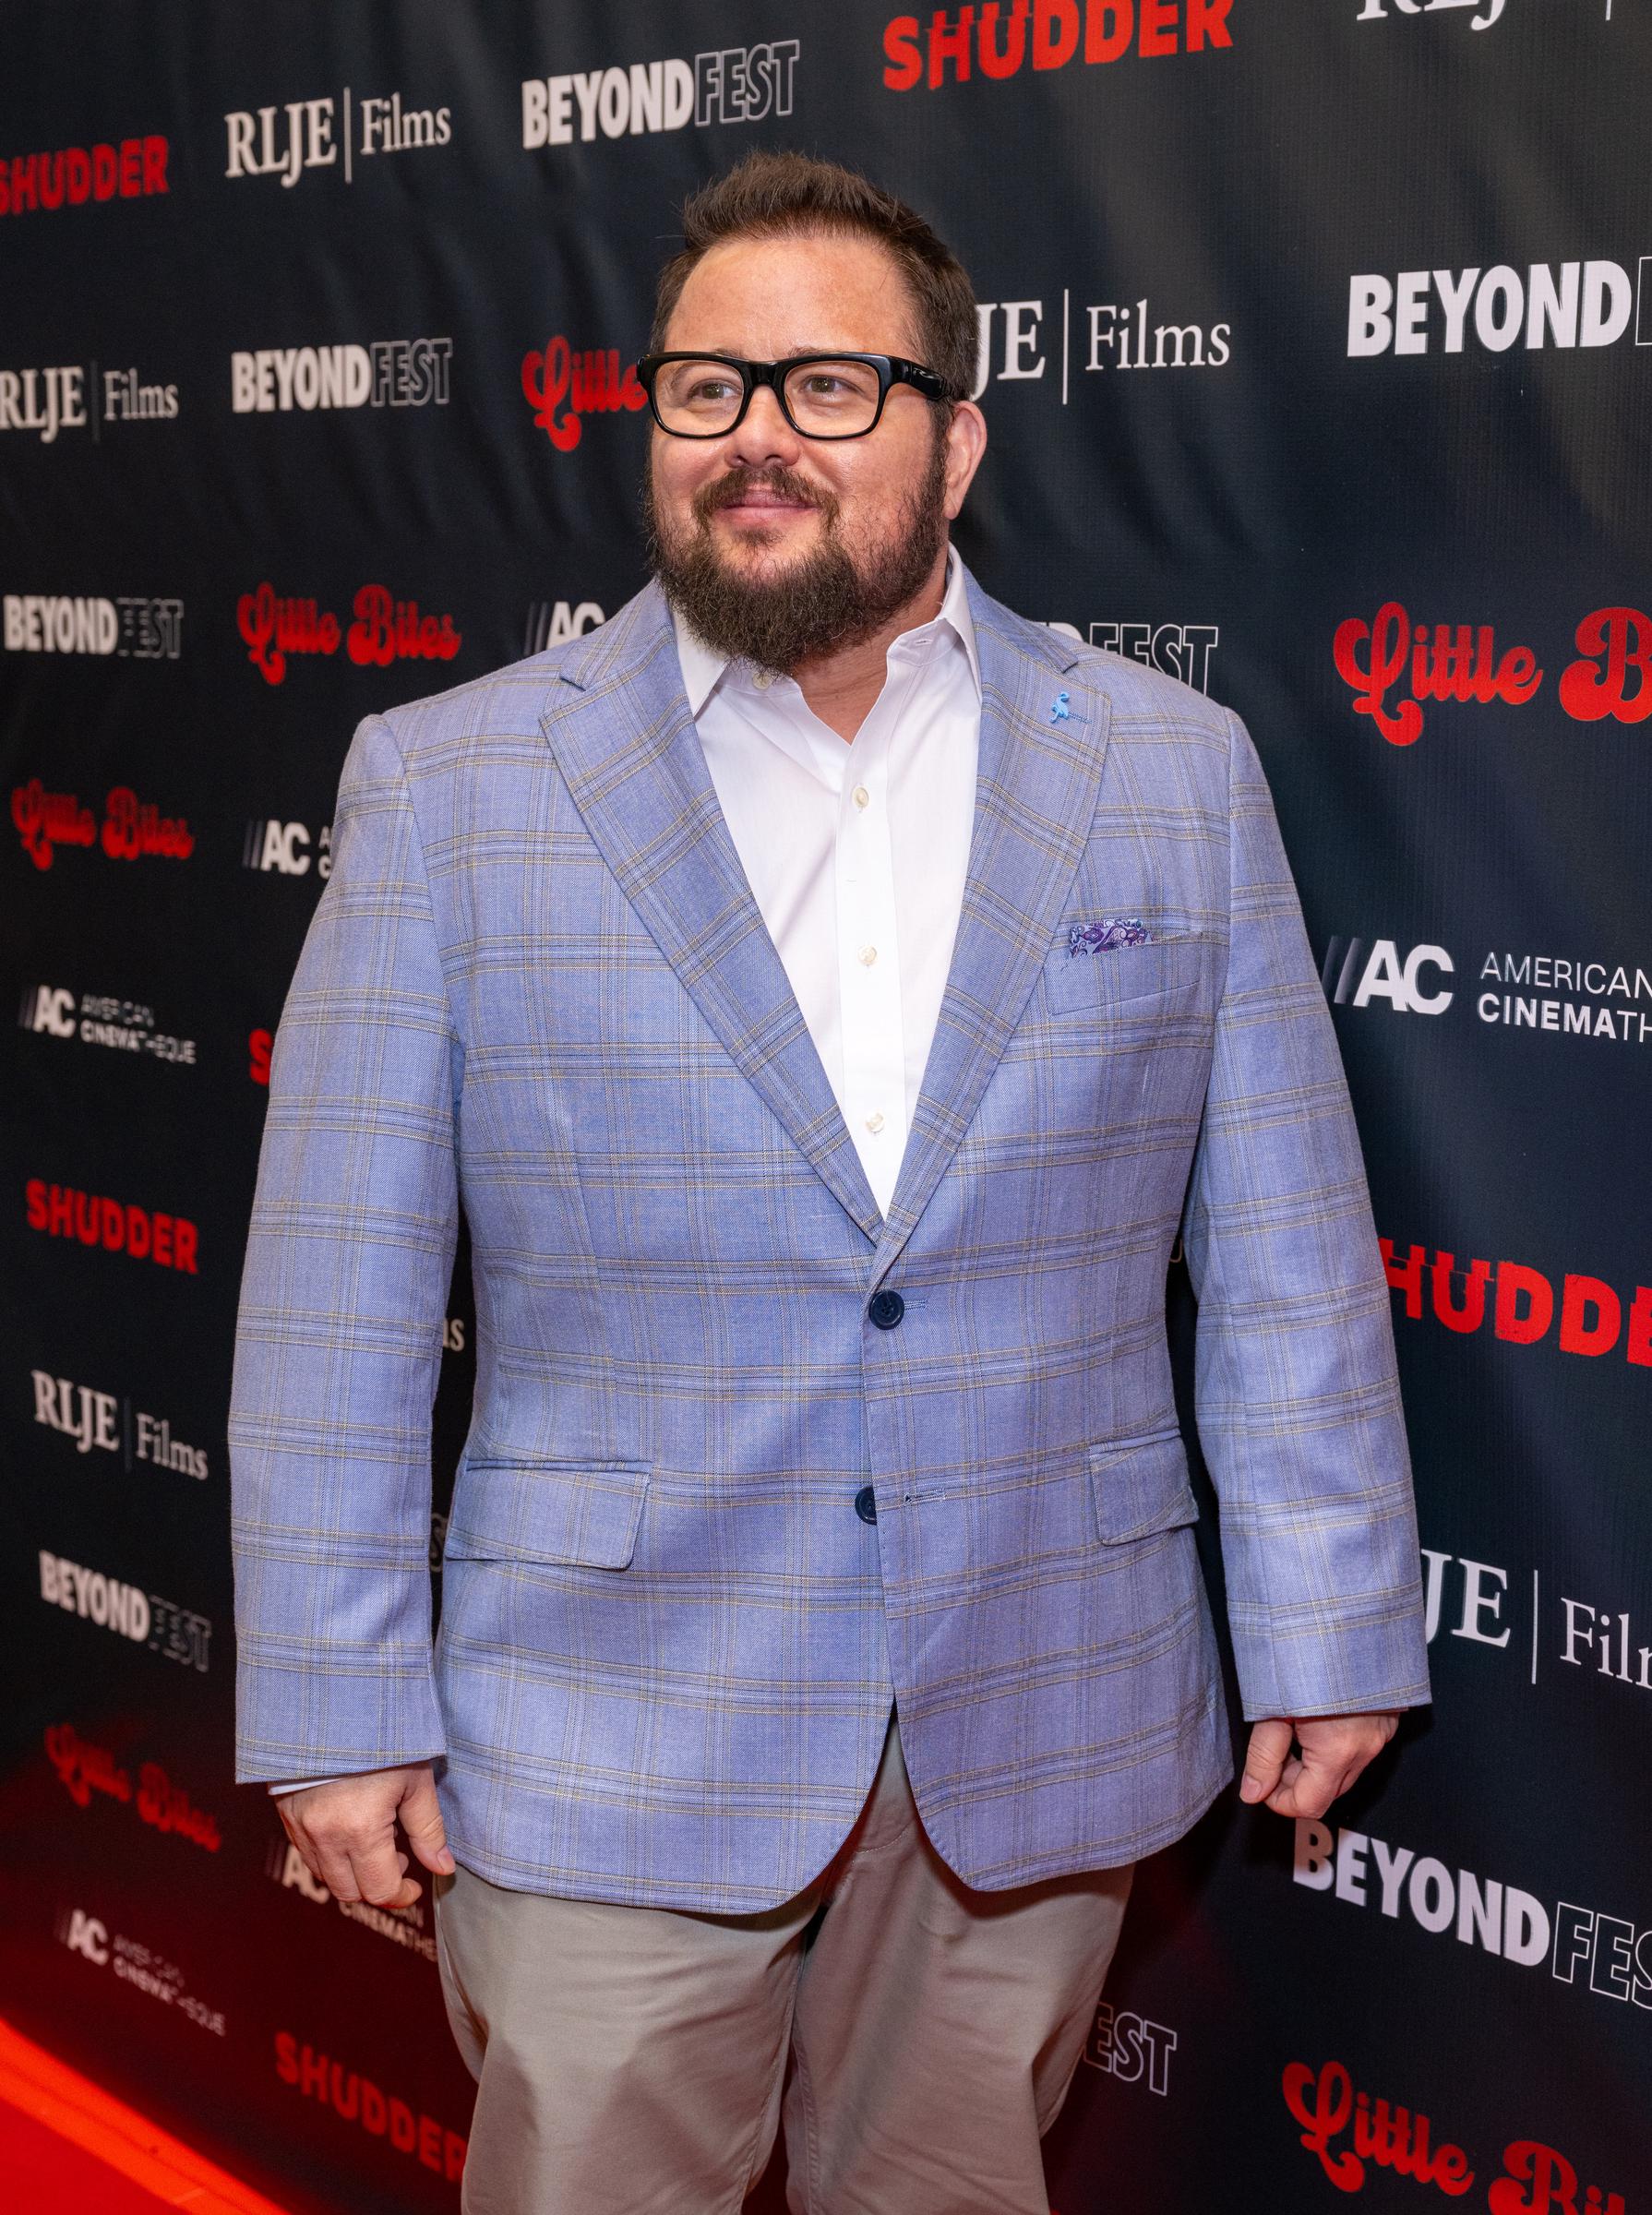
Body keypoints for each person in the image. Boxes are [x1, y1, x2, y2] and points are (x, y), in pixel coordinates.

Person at [231, 150, 1431, 2215]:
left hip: (1038, 1701)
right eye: (705, 388)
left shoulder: (1166, 769)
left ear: (955, 442)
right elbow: (337, 1296)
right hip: (606, 1733)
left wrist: (1327, 1614)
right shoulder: (451, 785)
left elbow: (1284, 1245)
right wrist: (335, 1713)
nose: (756, 434)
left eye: (827, 385)